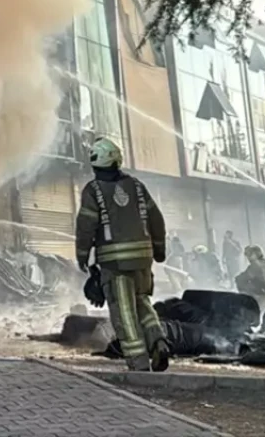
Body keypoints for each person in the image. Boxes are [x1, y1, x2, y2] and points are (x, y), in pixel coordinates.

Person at [74, 137, 170, 372]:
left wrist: (82, 256)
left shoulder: (93, 190)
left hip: (114, 264)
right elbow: (156, 219)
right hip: (143, 261)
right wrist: (159, 250)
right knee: (143, 303)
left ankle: (138, 363)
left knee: (123, 311)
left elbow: (86, 225)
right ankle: (158, 340)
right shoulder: (137, 186)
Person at [234, 244, 265, 309]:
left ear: (256, 254)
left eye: (250, 254)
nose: (248, 257)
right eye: (247, 255)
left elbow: (241, 278)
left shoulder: (256, 265)